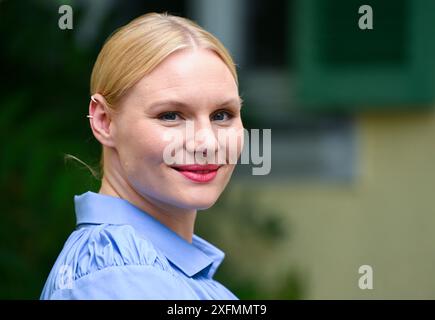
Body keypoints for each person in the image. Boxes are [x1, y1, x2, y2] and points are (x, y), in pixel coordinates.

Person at [40, 12, 244, 299]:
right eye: (171, 115)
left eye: (222, 115)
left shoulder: (150, 271)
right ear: (104, 121)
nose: (207, 142)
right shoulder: (120, 275)